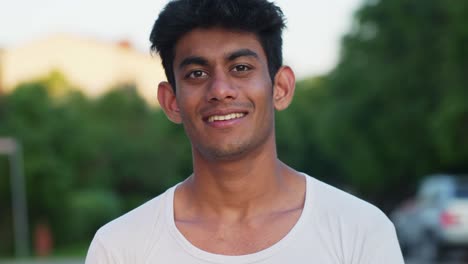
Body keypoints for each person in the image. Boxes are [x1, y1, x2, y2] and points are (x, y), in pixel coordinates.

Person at [85, 0, 405, 263]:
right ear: (171, 102)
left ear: (280, 87)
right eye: (197, 73)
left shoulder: (360, 230)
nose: (220, 90)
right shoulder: (121, 248)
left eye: (241, 68)